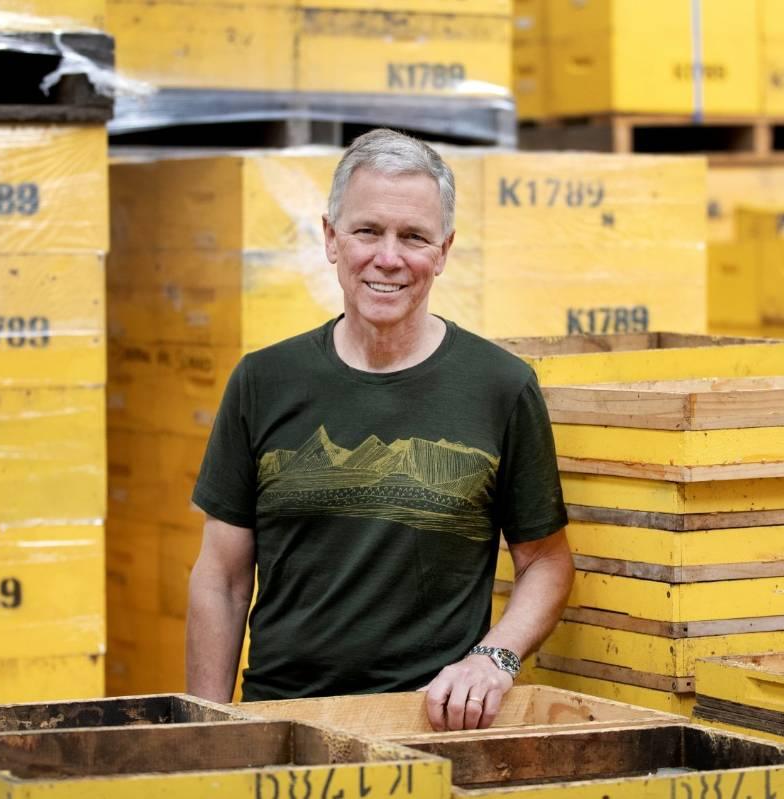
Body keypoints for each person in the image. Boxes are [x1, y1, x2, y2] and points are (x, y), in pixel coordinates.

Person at [186, 128, 574, 732]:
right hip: (281, 721)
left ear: (443, 251)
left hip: (431, 724)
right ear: (331, 238)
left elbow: (545, 561)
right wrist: (206, 728)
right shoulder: (263, 381)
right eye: (367, 231)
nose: (388, 257)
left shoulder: (501, 386)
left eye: (413, 236)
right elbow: (222, 577)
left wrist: (493, 658)